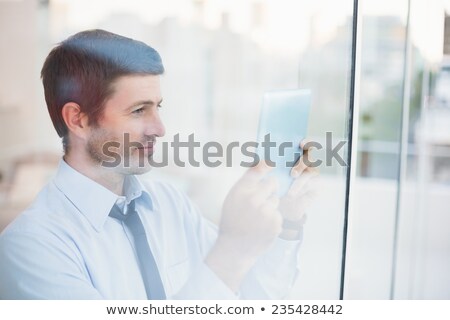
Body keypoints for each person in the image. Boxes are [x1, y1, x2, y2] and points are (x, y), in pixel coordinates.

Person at [0, 30, 317, 299]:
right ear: (78, 120)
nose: (159, 128)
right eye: (139, 110)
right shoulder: (29, 247)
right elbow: (226, 268)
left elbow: (253, 297)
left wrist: (287, 223)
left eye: (157, 108)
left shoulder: (170, 204)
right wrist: (231, 248)